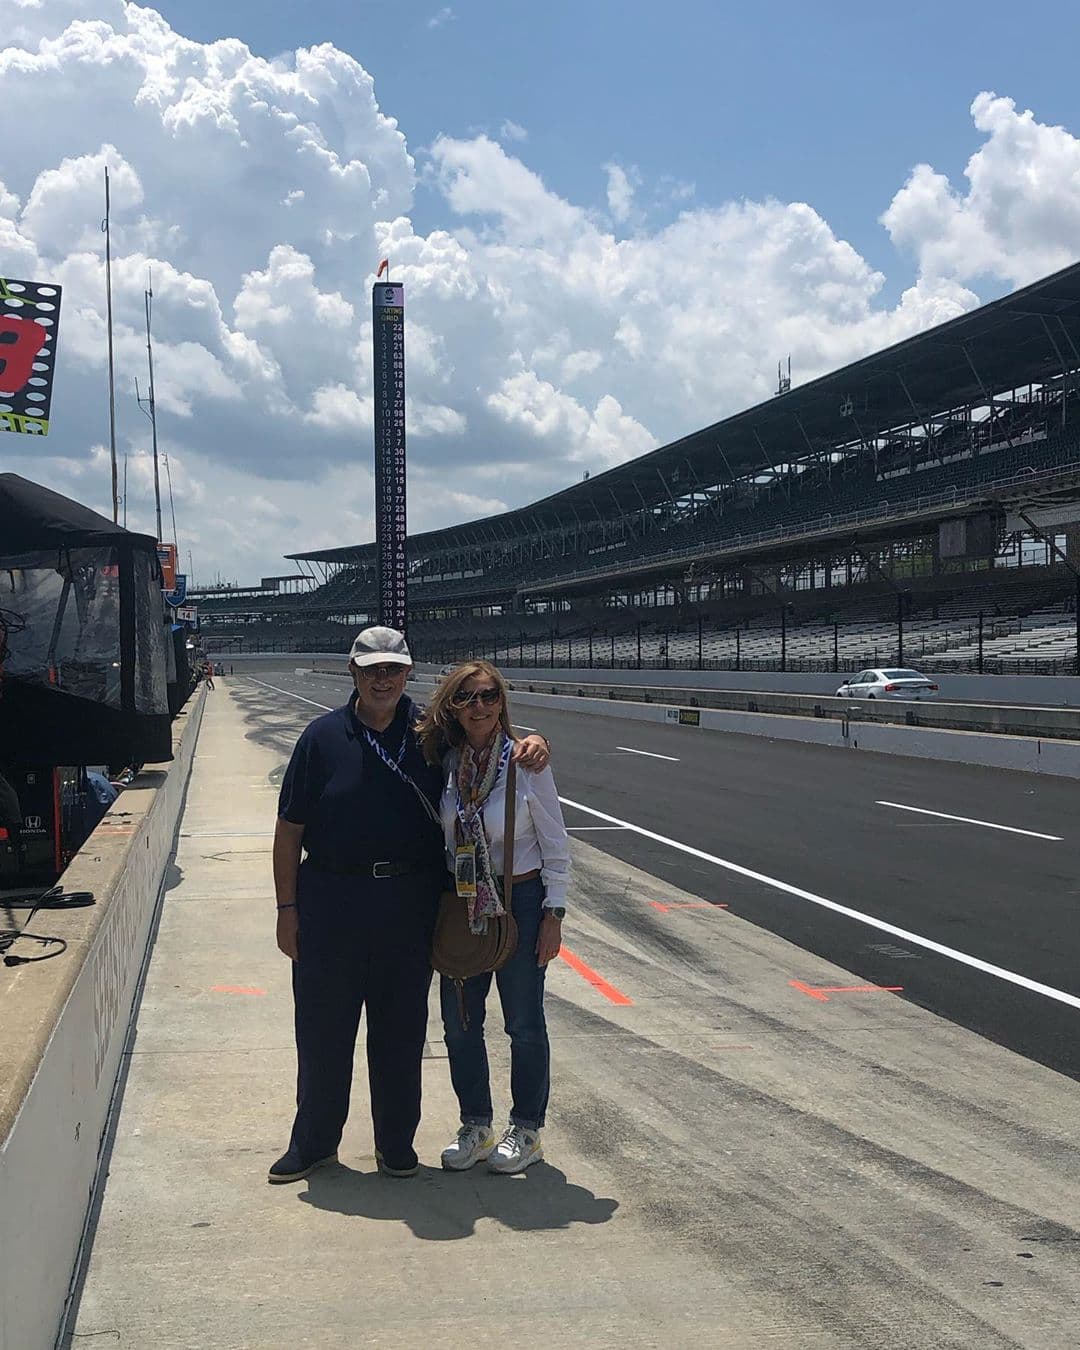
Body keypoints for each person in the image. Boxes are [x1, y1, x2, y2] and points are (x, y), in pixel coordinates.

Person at [270, 628, 549, 1184]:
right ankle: (314, 1142)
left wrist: (535, 742)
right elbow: (289, 830)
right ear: (353, 671)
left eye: (393, 669)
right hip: (331, 898)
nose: (382, 678)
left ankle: (395, 1144)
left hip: (408, 901)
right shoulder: (320, 738)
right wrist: (287, 908)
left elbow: (488, 730)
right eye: (371, 668)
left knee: (400, 1031)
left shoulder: (431, 734)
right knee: (323, 1028)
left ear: (407, 672)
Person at [417, 660, 570, 1175]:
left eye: (488, 696)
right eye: (467, 698)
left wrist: (555, 912)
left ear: (501, 701)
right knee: (460, 1024)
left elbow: (556, 843)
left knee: (524, 1023)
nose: (479, 706)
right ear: (453, 708)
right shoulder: (446, 760)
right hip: (464, 904)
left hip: (522, 902)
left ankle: (526, 1128)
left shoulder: (526, 763)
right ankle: (475, 1124)